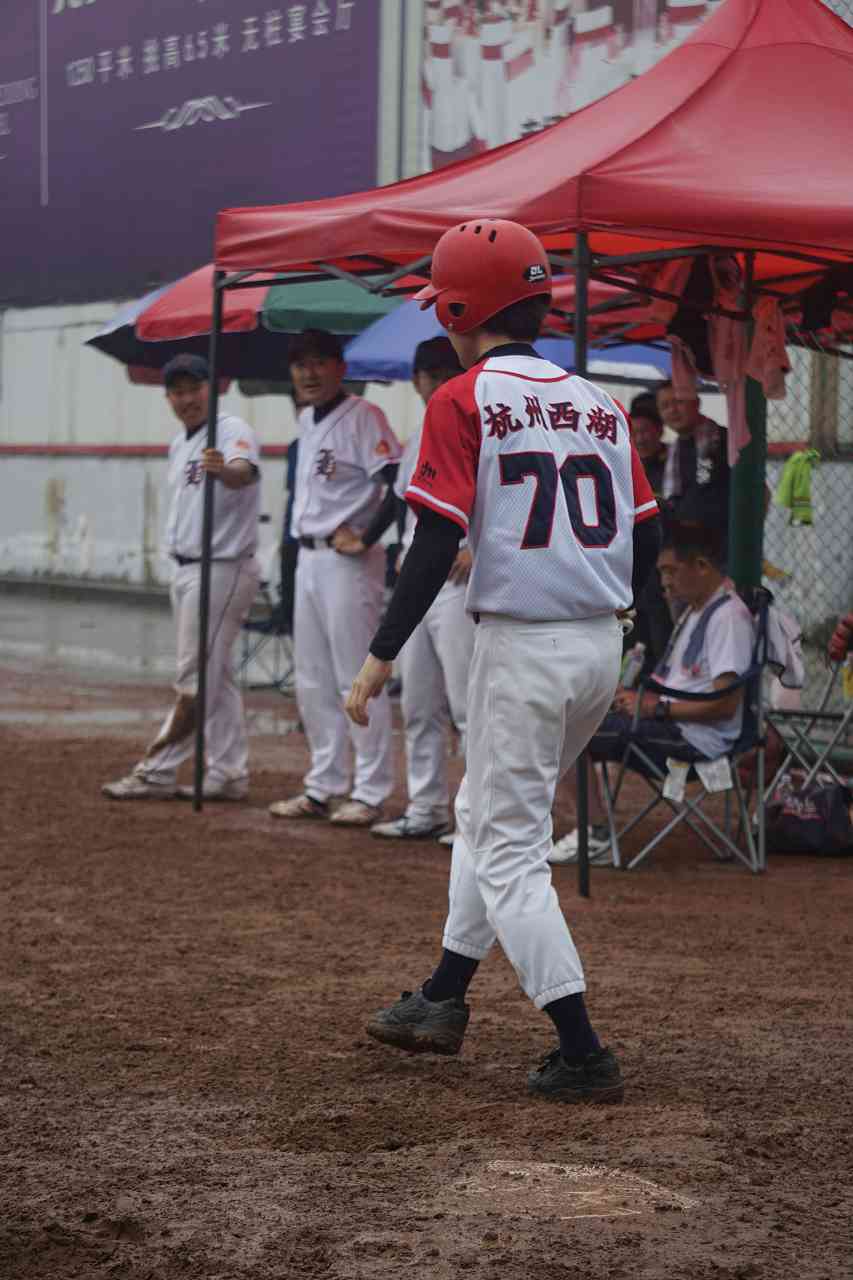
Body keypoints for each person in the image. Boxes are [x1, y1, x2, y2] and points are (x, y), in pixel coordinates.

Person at [345, 219, 661, 1105]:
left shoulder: (462, 398)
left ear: (459, 310)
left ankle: (582, 1051)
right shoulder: (597, 402)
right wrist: (635, 628)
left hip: (522, 649)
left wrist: (379, 654)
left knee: (509, 850)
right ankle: (441, 995)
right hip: (595, 644)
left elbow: (432, 539)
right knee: (482, 817)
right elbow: (649, 534)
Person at [103, 354, 261, 801]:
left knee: (195, 676)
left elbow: (244, 473)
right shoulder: (181, 442)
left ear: (212, 388)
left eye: (195, 388)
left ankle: (157, 769)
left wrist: (223, 469)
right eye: (177, 391)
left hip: (222, 567)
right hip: (188, 566)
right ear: (168, 397)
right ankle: (228, 772)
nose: (187, 398)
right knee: (217, 676)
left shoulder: (230, 430)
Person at [551, 523, 755, 863]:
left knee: (566, 729)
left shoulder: (727, 618)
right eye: (661, 573)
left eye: (671, 571)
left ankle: (596, 833)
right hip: (673, 725)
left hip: (694, 739)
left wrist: (655, 708)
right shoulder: (697, 610)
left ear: (701, 566)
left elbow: (724, 704)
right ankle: (581, 826)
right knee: (573, 712)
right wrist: (630, 698)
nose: (664, 582)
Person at [269, 329, 402, 828]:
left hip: (347, 564)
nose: (308, 372)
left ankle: (370, 790)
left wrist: (367, 538)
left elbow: (398, 484)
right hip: (308, 557)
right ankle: (323, 784)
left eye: (318, 362)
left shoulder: (365, 417)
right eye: (299, 364)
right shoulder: (306, 419)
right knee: (312, 678)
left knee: (356, 675)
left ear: (340, 367)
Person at [371, 337, 476, 843]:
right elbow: (404, 507)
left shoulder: (477, 427)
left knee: (467, 705)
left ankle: (478, 817)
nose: (435, 384)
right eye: (428, 376)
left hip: (458, 583)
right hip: (420, 582)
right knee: (418, 703)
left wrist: (477, 551)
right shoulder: (418, 436)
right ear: (415, 381)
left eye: (443, 374)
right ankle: (427, 805)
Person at [657, 380, 730, 544]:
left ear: (696, 402)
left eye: (679, 402)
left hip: (724, 543)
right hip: (685, 545)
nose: (672, 410)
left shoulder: (722, 440)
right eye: (664, 406)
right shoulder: (672, 451)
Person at [629, 392, 667, 497]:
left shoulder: (675, 459)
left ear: (660, 430)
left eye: (645, 431)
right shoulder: (623, 462)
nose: (640, 440)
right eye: (634, 433)